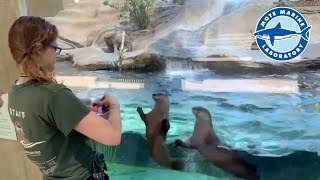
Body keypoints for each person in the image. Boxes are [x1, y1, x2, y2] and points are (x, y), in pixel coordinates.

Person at [7, 16, 122, 180]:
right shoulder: (54, 95)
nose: (57, 55)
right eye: (55, 48)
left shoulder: (15, 93)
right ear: (39, 50)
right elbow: (112, 137)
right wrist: (115, 105)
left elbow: (49, 126)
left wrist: (81, 109)